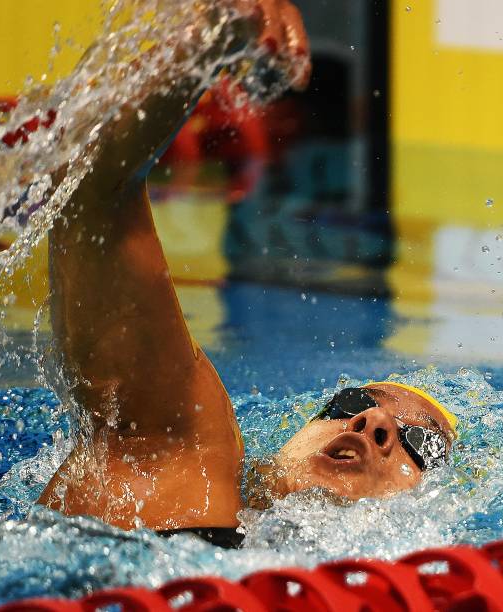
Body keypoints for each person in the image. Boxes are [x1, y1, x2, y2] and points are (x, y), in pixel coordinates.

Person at [35, 0, 457, 548]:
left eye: (418, 444)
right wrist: (208, 45)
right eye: (351, 403)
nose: (373, 424)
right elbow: (92, 186)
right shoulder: (181, 460)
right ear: (292, 436)